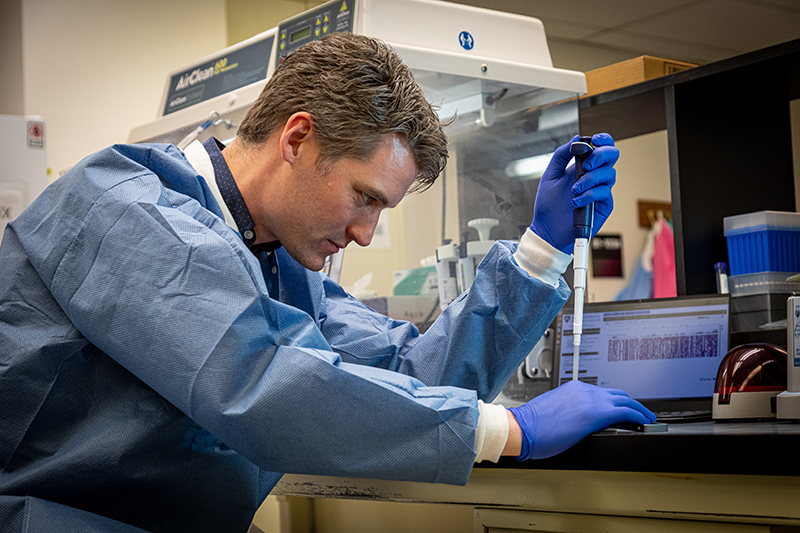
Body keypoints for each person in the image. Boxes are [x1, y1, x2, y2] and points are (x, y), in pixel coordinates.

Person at [0, 32, 654, 533]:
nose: (367, 233)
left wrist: (539, 252)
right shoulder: (125, 207)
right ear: (298, 138)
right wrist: (510, 431)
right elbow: (260, 383)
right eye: (363, 197)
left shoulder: (271, 258)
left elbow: (406, 370)